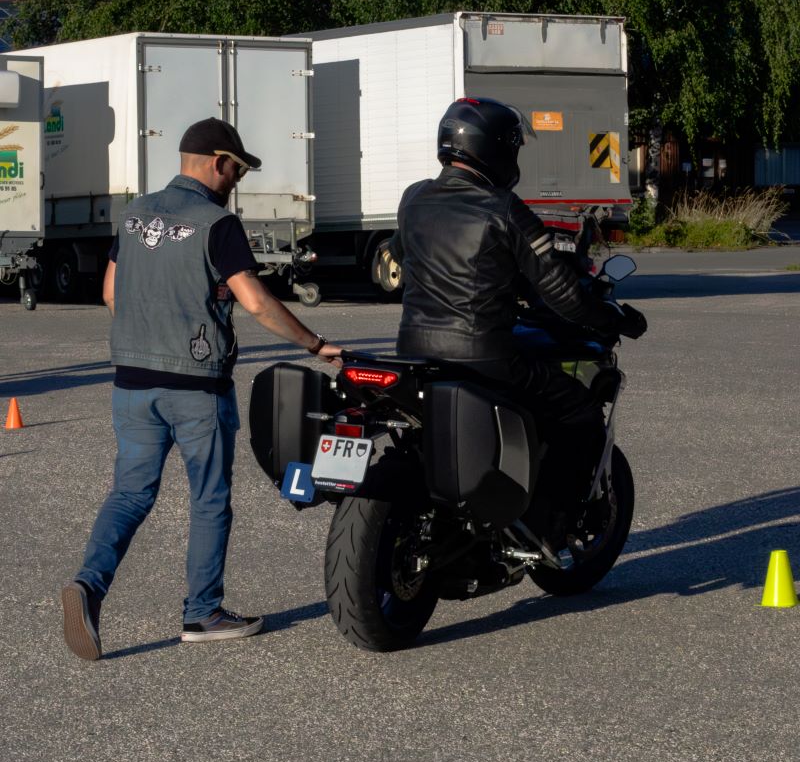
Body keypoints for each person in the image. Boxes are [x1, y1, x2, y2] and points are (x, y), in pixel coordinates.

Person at [61, 117, 342, 661]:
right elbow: (256, 302)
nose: (237, 178)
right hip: (196, 388)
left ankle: (88, 587)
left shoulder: (136, 213)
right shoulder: (218, 224)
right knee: (209, 498)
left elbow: (111, 292)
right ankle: (202, 612)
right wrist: (314, 344)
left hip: (132, 384)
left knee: (129, 494)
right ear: (218, 162)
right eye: (237, 168)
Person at [387, 96, 646, 552]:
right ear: (496, 150)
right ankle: (553, 526)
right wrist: (614, 318)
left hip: (414, 352)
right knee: (578, 412)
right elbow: (562, 292)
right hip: (483, 356)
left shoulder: (414, 198)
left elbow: (402, 255)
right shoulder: (503, 207)